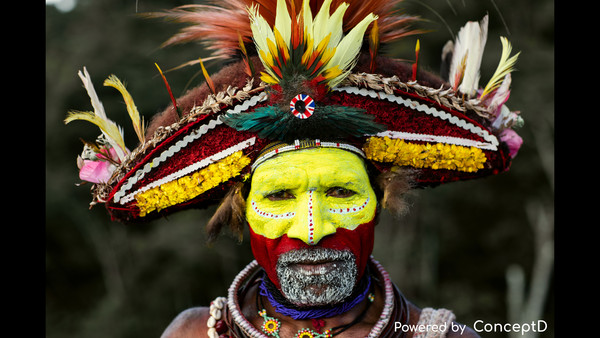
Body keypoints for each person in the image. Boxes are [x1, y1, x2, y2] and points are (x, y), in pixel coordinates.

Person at [66, 0, 523, 336]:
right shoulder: (194, 333)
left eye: (341, 193)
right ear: (242, 210)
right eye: (280, 195)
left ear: (380, 203)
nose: (311, 230)